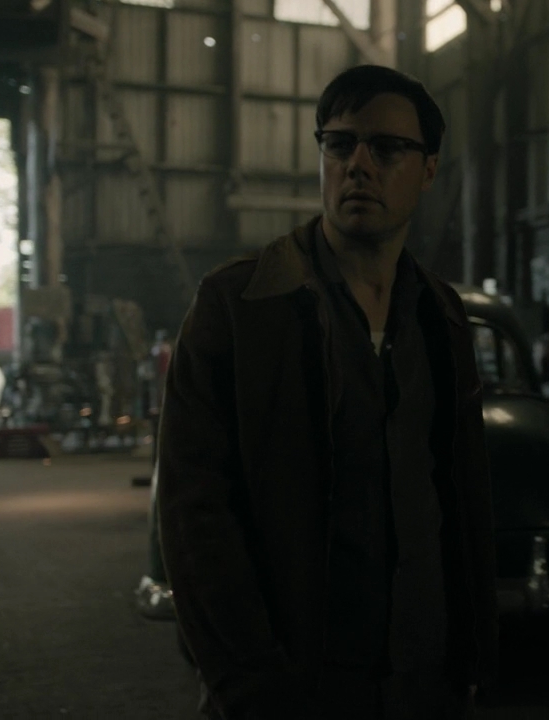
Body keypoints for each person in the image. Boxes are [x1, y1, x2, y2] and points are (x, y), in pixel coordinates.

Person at [156, 65, 497, 719]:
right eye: (340, 144)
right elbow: (193, 513)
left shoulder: (441, 316)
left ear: (428, 170)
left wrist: (473, 657)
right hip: (291, 689)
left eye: (386, 148)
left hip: (424, 680)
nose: (357, 165)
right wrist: (247, 683)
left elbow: (463, 494)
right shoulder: (239, 305)